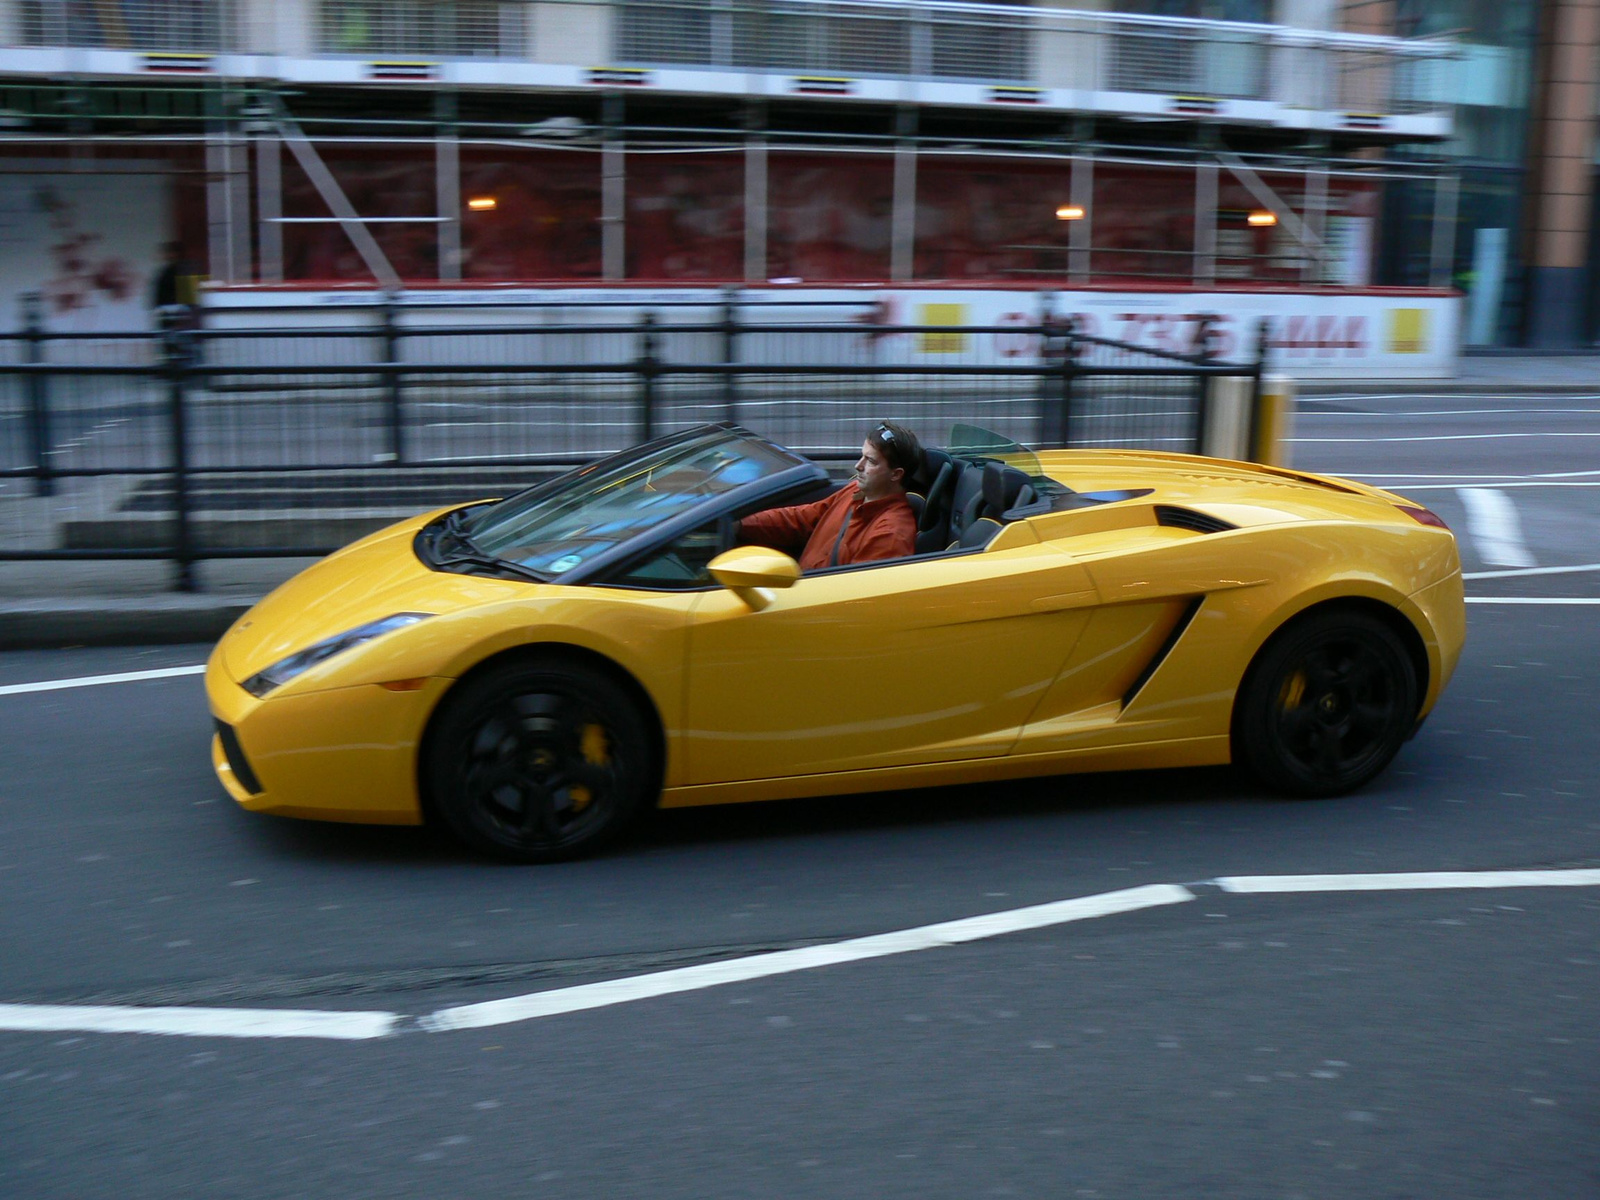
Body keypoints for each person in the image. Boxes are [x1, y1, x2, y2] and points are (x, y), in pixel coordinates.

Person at [739, 421, 922, 571]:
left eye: (871, 461)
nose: (859, 466)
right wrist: (740, 524)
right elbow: (801, 519)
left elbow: (860, 597)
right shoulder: (853, 492)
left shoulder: (890, 535)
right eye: (862, 456)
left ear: (896, 474)